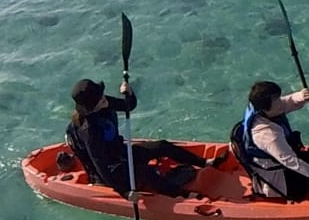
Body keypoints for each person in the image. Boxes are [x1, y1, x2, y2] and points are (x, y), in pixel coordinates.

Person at [220, 80, 309, 200]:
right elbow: (294, 164)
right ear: (265, 108)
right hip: (282, 181)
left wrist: (300, 96)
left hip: (282, 163)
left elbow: (285, 103)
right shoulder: (268, 136)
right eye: (276, 100)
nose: (280, 101)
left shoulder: (263, 108)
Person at [65, 77, 207, 196]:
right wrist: (125, 193)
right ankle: (181, 195)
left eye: (102, 95)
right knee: (143, 171)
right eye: (100, 99)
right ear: (92, 107)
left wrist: (129, 93)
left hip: (120, 152)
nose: (104, 99)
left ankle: (205, 163)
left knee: (161, 146)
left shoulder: (103, 102)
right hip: (111, 172)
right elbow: (102, 166)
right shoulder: (89, 131)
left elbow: (128, 106)